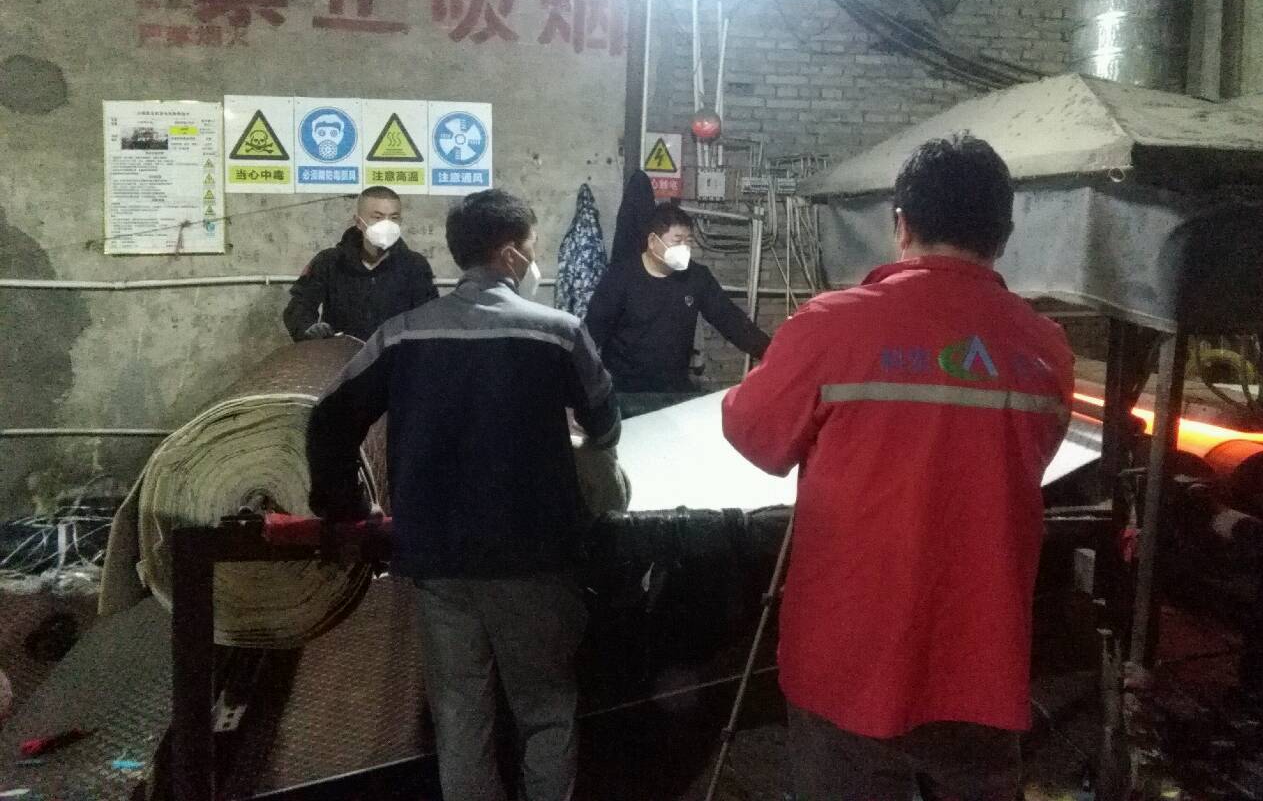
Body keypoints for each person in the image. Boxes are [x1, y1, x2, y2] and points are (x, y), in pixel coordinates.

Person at [722, 136, 1074, 801]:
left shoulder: (830, 326)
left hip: (846, 661)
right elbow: (1029, 459)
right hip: (982, 666)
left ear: (901, 225)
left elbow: (754, 435)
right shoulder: (1046, 348)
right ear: (1003, 236)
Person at [306, 189, 621, 801]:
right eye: (531, 247)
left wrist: (348, 509)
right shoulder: (559, 333)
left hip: (437, 559)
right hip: (533, 558)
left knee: (458, 715)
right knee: (545, 709)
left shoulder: (401, 335)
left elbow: (328, 421)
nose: (533, 260)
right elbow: (605, 423)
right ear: (511, 254)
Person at [585, 202, 770, 416]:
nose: (684, 248)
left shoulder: (696, 277)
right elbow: (591, 334)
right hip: (625, 393)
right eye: (677, 240)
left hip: (674, 390)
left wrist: (773, 352)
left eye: (688, 241)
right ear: (653, 241)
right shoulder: (620, 277)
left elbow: (730, 320)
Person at [283, 185, 437, 342]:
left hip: (395, 354)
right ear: (358, 222)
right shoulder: (330, 261)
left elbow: (429, 317)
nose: (387, 224)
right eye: (377, 217)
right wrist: (309, 330)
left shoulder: (414, 265)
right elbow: (299, 306)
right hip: (342, 354)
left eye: (394, 218)